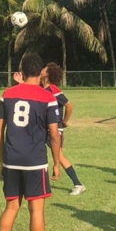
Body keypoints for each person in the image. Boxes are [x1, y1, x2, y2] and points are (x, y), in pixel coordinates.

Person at [0, 53, 62, 231]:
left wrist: (2, 159)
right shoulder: (47, 97)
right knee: (37, 209)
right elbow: (54, 133)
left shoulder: (8, 94)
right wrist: (57, 162)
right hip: (35, 161)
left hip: (12, 160)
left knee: (11, 207)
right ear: (41, 72)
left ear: (22, 70)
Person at [41, 62, 86, 196]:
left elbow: (69, 105)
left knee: (59, 156)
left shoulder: (54, 90)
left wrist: (64, 121)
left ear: (48, 74)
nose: (41, 70)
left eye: (44, 69)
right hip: (45, 128)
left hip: (55, 128)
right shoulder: (41, 87)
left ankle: (78, 184)